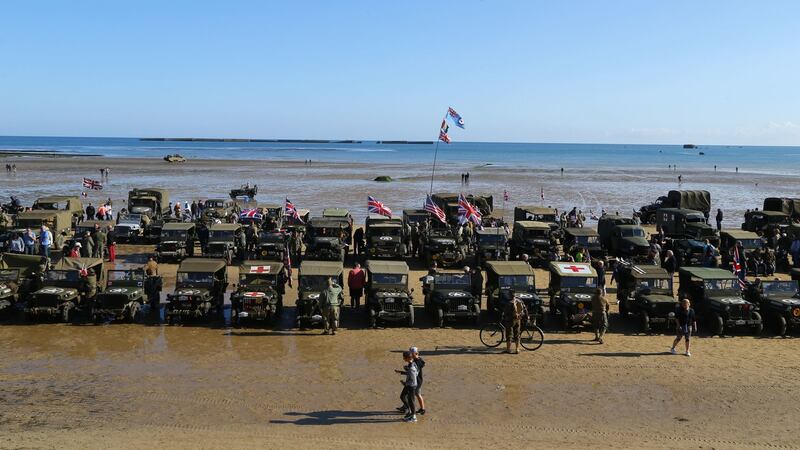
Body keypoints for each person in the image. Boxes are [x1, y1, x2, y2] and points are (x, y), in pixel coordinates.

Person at [396, 350, 418, 423]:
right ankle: (409, 411)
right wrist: (401, 372)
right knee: (402, 396)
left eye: (404, 357)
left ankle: (413, 417)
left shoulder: (412, 367)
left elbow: (413, 378)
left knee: (411, 401)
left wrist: (405, 383)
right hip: (409, 385)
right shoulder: (412, 364)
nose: (403, 359)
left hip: (411, 386)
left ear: (408, 358)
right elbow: (413, 373)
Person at [409, 346, 426, 415]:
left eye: (411, 353)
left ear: (416, 353)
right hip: (415, 380)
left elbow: (415, 370)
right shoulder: (416, 360)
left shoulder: (418, 361)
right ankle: (422, 409)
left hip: (417, 381)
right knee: (413, 394)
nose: (410, 354)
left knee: (417, 394)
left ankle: (422, 409)